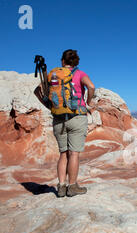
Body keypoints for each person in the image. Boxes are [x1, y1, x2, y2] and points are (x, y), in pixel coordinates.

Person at [34, 49, 95, 197]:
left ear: (62, 61)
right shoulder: (80, 74)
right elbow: (91, 87)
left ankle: (61, 187)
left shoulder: (54, 75)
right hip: (77, 116)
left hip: (58, 118)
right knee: (74, 154)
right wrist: (87, 101)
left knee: (63, 154)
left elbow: (37, 91)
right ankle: (72, 187)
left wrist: (49, 106)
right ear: (77, 62)